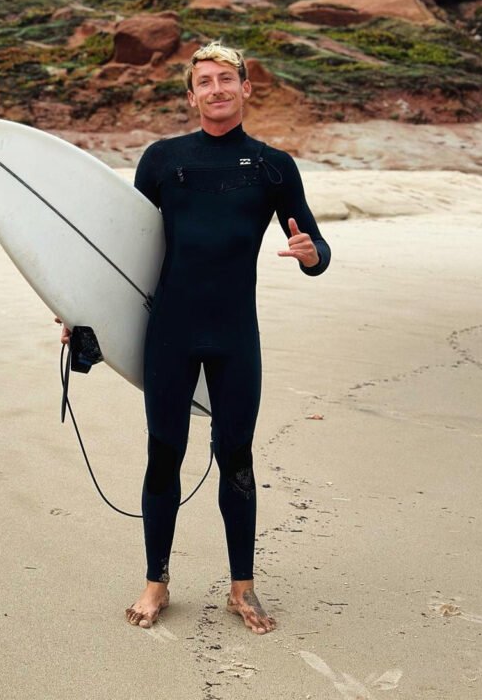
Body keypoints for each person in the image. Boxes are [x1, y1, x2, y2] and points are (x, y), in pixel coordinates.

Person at [62, 41, 330, 634]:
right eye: (203, 81)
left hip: (236, 334)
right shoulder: (161, 160)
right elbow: (125, 258)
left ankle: (243, 588)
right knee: (165, 455)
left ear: (245, 87)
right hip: (172, 334)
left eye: (226, 79)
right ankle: (156, 583)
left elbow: (317, 249)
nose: (216, 89)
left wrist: (312, 254)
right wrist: (79, 312)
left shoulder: (272, 166)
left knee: (235, 457)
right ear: (191, 95)